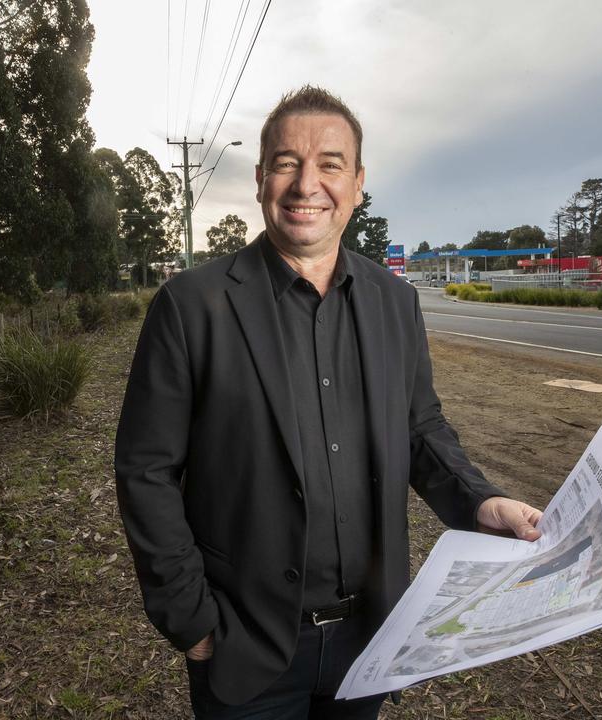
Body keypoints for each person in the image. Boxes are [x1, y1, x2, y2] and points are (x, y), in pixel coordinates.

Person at [114, 85, 543, 719]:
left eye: (330, 164)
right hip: (245, 640)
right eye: (287, 162)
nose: (306, 183)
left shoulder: (394, 303)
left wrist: (480, 502)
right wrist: (192, 620)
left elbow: (419, 428)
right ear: (261, 179)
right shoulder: (191, 307)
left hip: (368, 638)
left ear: (358, 183)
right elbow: (145, 471)